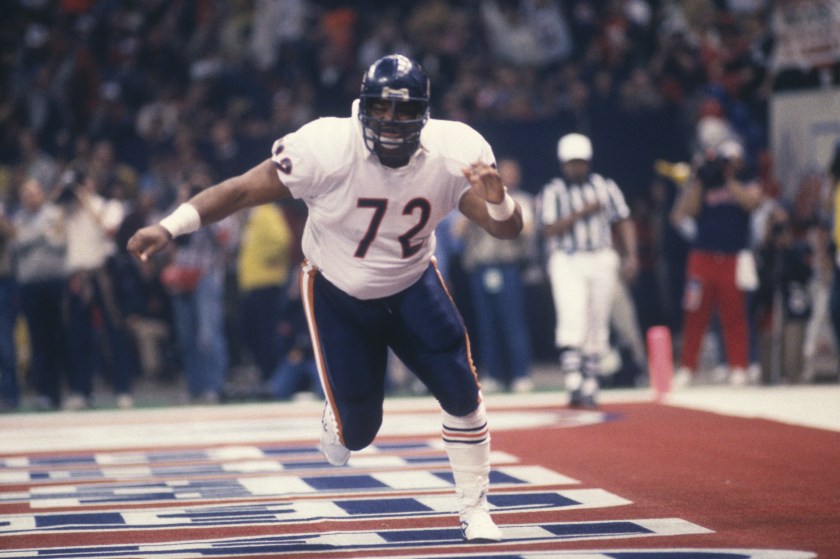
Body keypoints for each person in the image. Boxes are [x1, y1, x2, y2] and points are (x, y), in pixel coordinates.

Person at [127, 54, 522, 543]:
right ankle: (339, 416)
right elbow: (239, 191)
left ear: (424, 112)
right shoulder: (327, 147)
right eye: (382, 109)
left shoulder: (453, 149)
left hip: (413, 282)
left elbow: (506, 230)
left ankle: (474, 507)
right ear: (362, 107)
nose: (392, 123)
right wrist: (169, 227)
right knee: (358, 431)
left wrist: (500, 198)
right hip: (339, 290)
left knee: (463, 393)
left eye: (404, 112)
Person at [539, 133, 638, 408]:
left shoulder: (605, 186)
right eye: (571, 163)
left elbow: (624, 219)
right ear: (562, 164)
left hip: (601, 257)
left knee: (597, 318)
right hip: (568, 259)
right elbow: (548, 229)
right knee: (573, 315)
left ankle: (592, 383)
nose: (576, 168)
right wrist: (582, 212)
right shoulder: (553, 191)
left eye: (580, 162)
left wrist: (631, 255)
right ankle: (573, 382)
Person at [670, 141, 764, 387]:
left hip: (732, 257)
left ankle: (738, 366)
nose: (728, 166)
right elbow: (686, 212)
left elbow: (753, 203)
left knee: (734, 314)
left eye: (731, 161)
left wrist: (727, 179)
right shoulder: (704, 184)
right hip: (702, 257)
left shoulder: (746, 182)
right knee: (694, 313)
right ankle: (688, 367)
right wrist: (700, 178)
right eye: (724, 161)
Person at [455, 157, 534, 393]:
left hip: (507, 267)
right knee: (486, 324)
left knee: (513, 322)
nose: (509, 176)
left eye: (512, 173)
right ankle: (494, 373)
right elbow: (456, 232)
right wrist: (478, 201)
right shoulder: (475, 201)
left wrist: (500, 206)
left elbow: (526, 229)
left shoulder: (521, 199)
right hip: (481, 268)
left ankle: (521, 373)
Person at [10, 178, 68, 410]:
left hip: (54, 282)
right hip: (30, 285)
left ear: (42, 194)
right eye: (26, 194)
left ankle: (59, 391)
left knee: (58, 337)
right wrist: (38, 235)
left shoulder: (55, 214)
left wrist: (30, 237)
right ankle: (43, 392)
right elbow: (16, 245)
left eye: (33, 193)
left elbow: (58, 243)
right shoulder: (18, 218)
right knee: (37, 338)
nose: (30, 198)